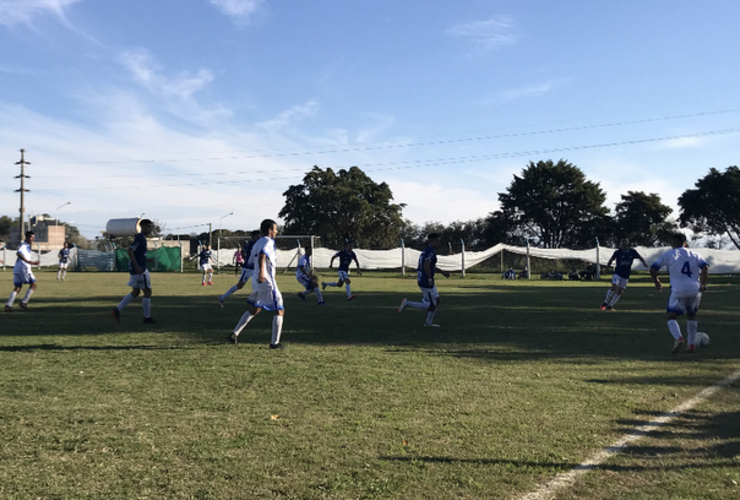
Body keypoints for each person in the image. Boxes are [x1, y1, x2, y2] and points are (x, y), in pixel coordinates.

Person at [227, 219, 285, 349]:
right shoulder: (268, 241)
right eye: (275, 229)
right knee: (279, 310)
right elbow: (262, 255)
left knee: (255, 309)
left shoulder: (257, 242)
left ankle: (234, 333)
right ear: (270, 230)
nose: (276, 231)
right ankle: (274, 343)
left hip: (256, 281)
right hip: (266, 281)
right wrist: (262, 274)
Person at [650, 233, 709, 353]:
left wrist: (657, 282)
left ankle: (679, 338)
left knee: (671, 316)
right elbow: (705, 267)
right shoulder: (694, 253)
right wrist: (703, 283)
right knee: (691, 315)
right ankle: (691, 344)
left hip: (679, 289)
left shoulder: (669, 254)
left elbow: (653, 268)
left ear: (673, 242)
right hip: (695, 289)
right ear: (685, 243)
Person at [398, 233, 450, 327]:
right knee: (431, 305)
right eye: (437, 241)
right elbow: (426, 264)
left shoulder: (428, 251)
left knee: (437, 301)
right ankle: (408, 303)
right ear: (432, 241)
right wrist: (429, 278)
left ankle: (428, 322)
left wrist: (442, 272)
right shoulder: (430, 251)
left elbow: (431, 266)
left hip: (425, 279)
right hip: (426, 281)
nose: (439, 243)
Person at [111, 219, 156, 324]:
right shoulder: (140, 237)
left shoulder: (141, 238)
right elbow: (130, 250)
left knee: (136, 292)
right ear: (143, 226)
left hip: (137, 267)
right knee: (147, 292)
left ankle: (117, 310)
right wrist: (137, 265)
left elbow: (137, 253)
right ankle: (147, 317)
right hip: (139, 269)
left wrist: (145, 259)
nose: (150, 229)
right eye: (148, 227)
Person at [601, 238, 648, 311]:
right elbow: (611, 260)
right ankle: (605, 303)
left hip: (626, 274)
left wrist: (644, 263)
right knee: (614, 286)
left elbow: (640, 257)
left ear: (628, 243)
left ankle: (610, 306)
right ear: (621, 244)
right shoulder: (618, 252)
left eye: (625, 242)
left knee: (620, 291)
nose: (624, 244)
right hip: (618, 272)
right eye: (623, 242)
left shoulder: (632, 252)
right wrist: (607, 268)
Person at [219, 231, 260, 307]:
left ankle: (258, 302)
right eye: (257, 236)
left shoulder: (253, 243)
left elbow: (243, 251)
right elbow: (243, 251)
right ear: (253, 236)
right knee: (240, 285)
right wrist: (246, 260)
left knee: (259, 284)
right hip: (247, 268)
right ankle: (222, 297)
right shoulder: (252, 244)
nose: (259, 237)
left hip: (255, 268)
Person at [5, 231, 40, 312]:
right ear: (27, 237)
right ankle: (23, 302)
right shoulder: (24, 245)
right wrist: (30, 262)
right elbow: (18, 253)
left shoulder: (26, 246)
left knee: (18, 287)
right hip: (24, 268)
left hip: (17, 269)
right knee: (33, 285)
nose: (32, 239)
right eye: (31, 237)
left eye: (33, 237)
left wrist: (31, 262)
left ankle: (8, 305)